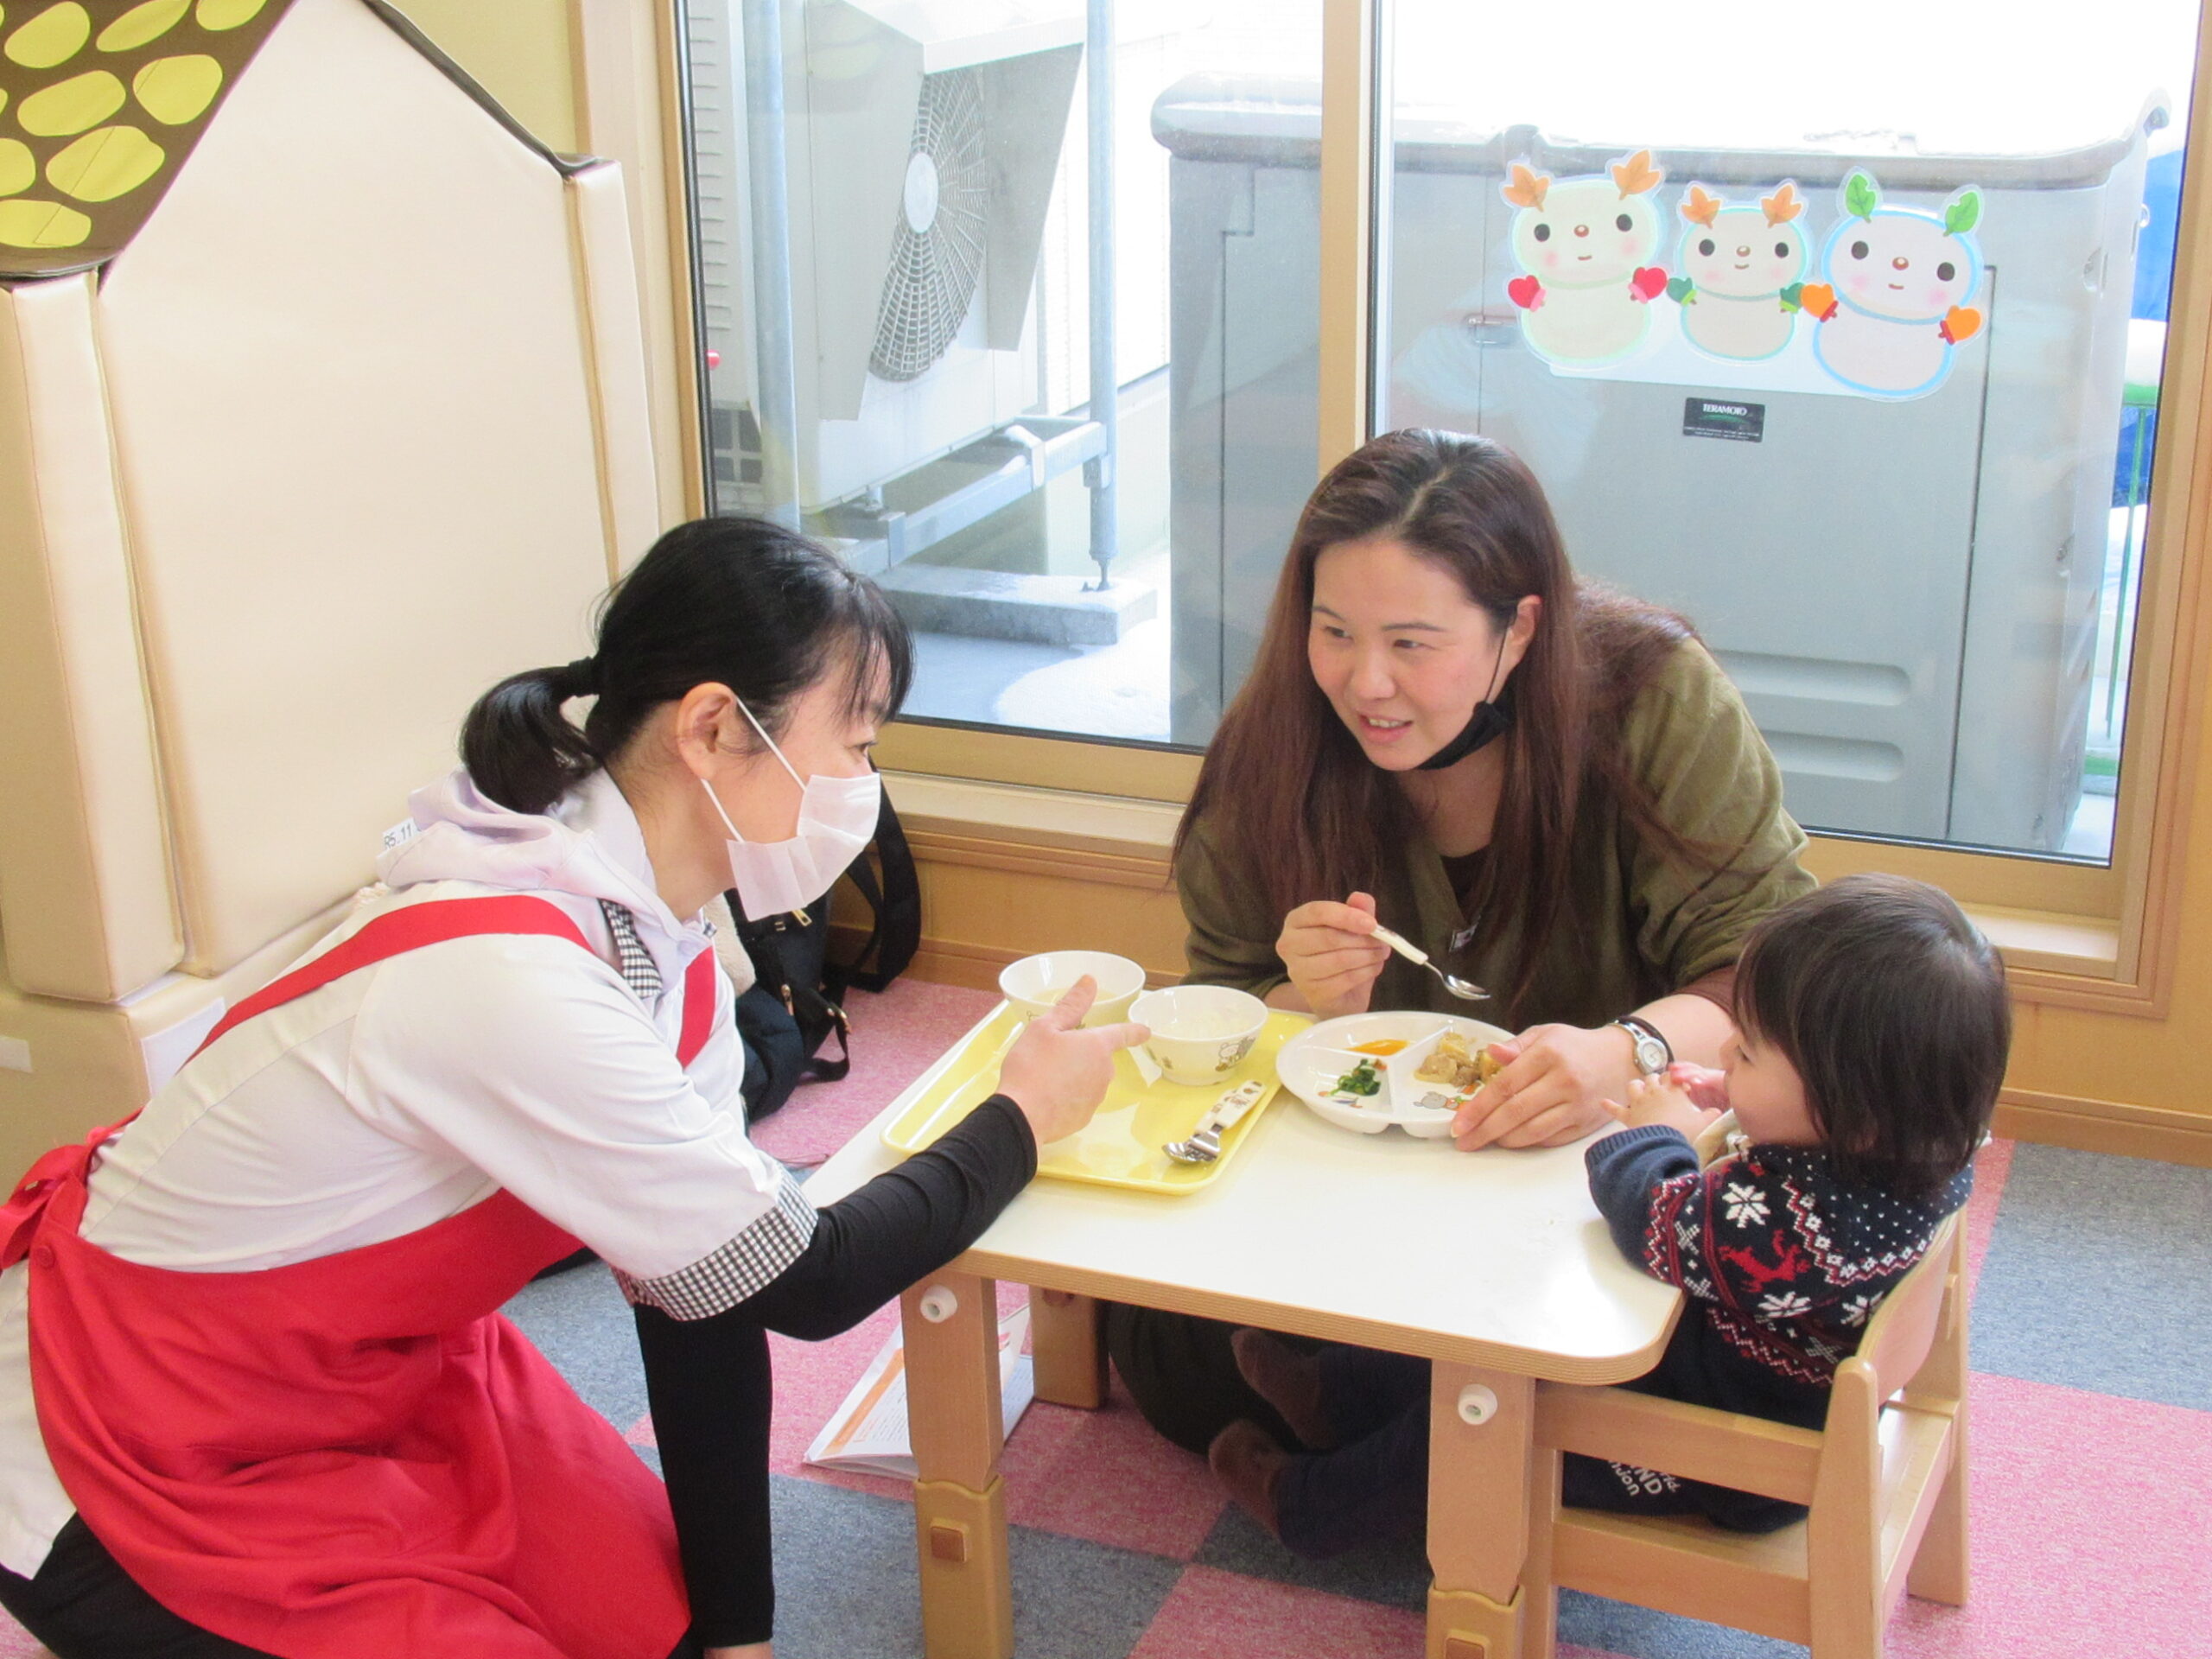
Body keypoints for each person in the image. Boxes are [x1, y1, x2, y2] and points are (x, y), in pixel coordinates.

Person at [0, 518, 1147, 1659]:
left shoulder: (664, 934)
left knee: (666, 1629)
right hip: (127, 1422)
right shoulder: (516, 975)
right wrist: (1020, 1118)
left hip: (370, 1369)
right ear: (712, 726)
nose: (862, 785)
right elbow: (813, 1278)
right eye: (855, 744)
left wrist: (738, 1638)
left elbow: (709, 1285)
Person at [1106, 428, 1816, 1455]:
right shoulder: (1279, 739)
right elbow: (1219, 1011)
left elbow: (1766, 973)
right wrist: (1303, 1002)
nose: (1364, 684)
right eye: (1333, 631)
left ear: (1518, 630)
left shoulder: (1652, 696)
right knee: (1174, 1354)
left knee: (1678, 1357)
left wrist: (1622, 1051)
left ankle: (1414, 1421)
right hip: (1359, 1177)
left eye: (1411, 644)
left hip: (1603, 1177)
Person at [1208, 874, 2009, 1555]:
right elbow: (1781, 1144)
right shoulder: (1915, 1151)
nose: (1726, 1052)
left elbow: (1650, 1216)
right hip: (1740, 1373)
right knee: (1481, 1349)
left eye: (1749, 1052)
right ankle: (1334, 1396)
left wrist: (1652, 1134)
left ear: (1848, 1109)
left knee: (1484, 1406)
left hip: (1724, 1451)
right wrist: (1731, 1095)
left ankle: (1313, 1507)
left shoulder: (1792, 1232)